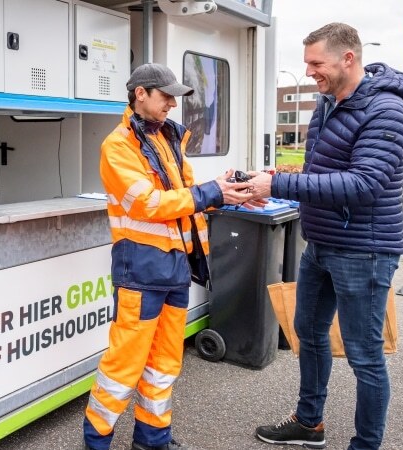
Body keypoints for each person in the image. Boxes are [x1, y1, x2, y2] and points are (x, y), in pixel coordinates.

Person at [249, 23, 403, 450]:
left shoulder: (388, 111)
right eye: (307, 63)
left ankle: (367, 443)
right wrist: (280, 175)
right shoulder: (327, 103)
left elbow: (363, 185)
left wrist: (279, 188)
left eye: (315, 63)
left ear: (348, 59)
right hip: (320, 242)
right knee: (308, 329)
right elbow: (327, 172)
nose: (309, 72)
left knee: (364, 355)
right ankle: (309, 424)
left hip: (364, 251)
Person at [82, 63, 258, 450]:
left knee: (164, 365)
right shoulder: (118, 146)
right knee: (123, 367)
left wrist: (229, 191)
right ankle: (96, 443)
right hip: (141, 272)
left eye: (175, 98)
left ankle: (153, 439)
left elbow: (189, 194)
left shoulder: (167, 138)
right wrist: (211, 193)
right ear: (140, 93)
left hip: (175, 268)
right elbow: (148, 203)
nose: (172, 106)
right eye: (166, 97)